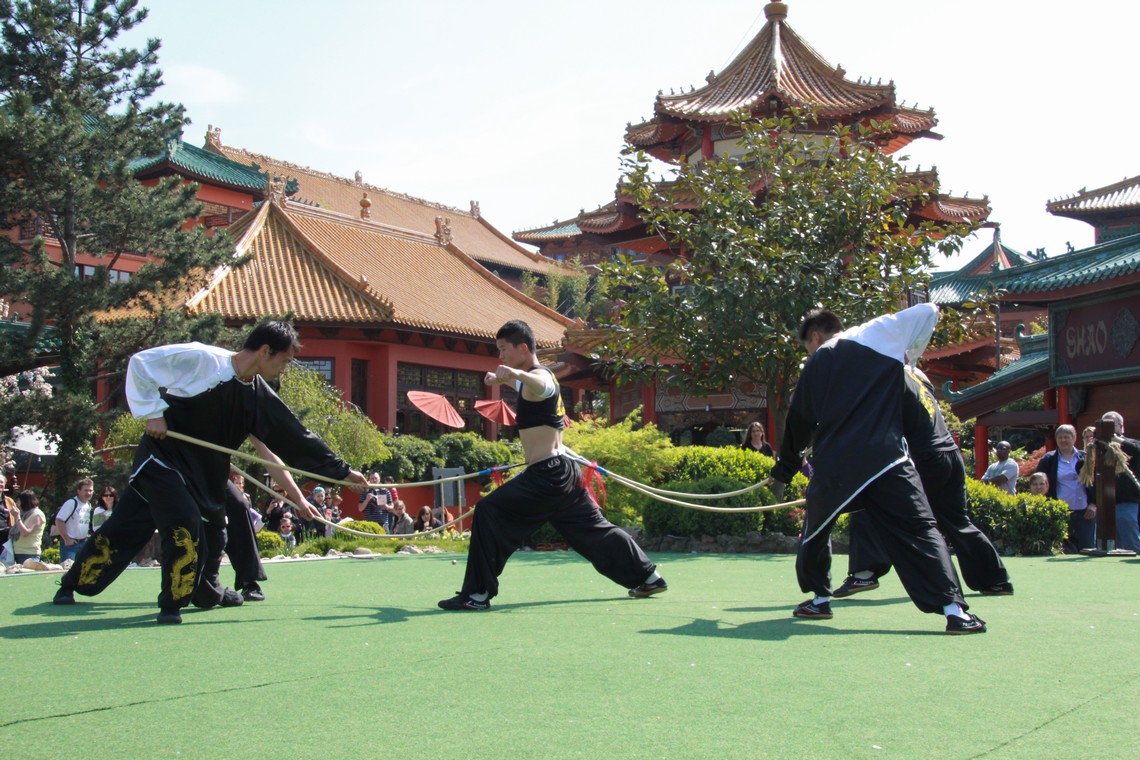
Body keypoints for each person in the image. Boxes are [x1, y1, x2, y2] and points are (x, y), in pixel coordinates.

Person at [53, 320, 367, 624]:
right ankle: (169, 604)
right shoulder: (203, 359)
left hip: (206, 474)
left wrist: (342, 472)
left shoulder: (259, 395)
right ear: (265, 351)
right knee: (182, 522)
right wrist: (152, 413)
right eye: (284, 361)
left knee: (210, 530)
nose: (284, 369)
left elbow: (295, 436)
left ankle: (206, 590)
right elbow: (141, 363)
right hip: (163, 461)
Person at [767, 304, 982, 634]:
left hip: (837, 463)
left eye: (807, 345)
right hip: (889, 460)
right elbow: (929, 311)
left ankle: (819, 600)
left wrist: (787, 466)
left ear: (815, 336)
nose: (810, 351)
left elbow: (800, 419)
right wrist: (910, 355)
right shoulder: (882, 332)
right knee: (920, 530)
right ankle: (956, 612)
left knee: (817, 527)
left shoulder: (821, 358)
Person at [439, 319, 664, 611]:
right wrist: (502, 380)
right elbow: (525, 384)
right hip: (562, 473)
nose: (500, 356)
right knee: (593, 530)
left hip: (547, 476)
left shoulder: (541, 378)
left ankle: (477, 595)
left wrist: (515, 373)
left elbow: (539, 384)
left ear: (522, 348)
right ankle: (649, 577)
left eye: (503, 349)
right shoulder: (529, 381)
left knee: (488, 511)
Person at [836, 365, 1012, 598]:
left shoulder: (883, 376)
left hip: (925, 458)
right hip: (949, 454)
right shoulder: (916, 375)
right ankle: (995, 580)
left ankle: (865, 573)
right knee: (957, 520)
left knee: (869, 501)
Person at [1034, 424, 1095, 553]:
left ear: (1074, 438)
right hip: (1061, 511)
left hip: (1085, 512)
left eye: (1066, 437)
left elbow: (1094, 483)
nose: (1063, 440)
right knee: (1064, 549)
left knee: (1087, 549)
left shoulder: (1085, 457)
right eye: (1060, 437)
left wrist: (1094, 504)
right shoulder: (1049, 459)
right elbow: (1040, 481)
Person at [1100, 411, 1140, 552]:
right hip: (1104, 504)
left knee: (1131, 546)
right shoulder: (1099, 447)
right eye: (1105, 424)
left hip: (1127, 502)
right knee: (1109, 547)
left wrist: (1119, 441)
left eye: (1111, 424)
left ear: (1121, 426)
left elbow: (1137, 449)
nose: (1108, 428)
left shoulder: (1131, 444)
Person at [55, 478, 94, 564]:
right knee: (67, 571)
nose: (88, 493)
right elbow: (59, 520)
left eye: (90, 491)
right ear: (78, 491)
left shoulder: (88, 505)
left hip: (82, 544)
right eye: (85, 490)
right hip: (70, 545)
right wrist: (66, 539)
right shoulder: (71, 503)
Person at [12, 490, 46, 563]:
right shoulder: (25, 515)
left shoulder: (37, 514)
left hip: (29, 553)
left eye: (18, 501)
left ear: (24, 502)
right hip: (18, 552)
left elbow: (25, 532)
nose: (17, 504)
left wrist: (17, 517)